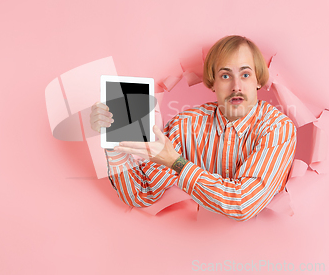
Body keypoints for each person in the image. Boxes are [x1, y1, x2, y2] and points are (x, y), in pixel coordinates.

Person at [90, 35, 297, 221]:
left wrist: (176, 163)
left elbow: (242, 204)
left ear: (258, 81)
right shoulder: (185, 125)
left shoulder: (278, 128)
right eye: (225, 76)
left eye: (245, 75)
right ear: (212, 83)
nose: (236, 86)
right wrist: (113, 139)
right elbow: (140, 193)